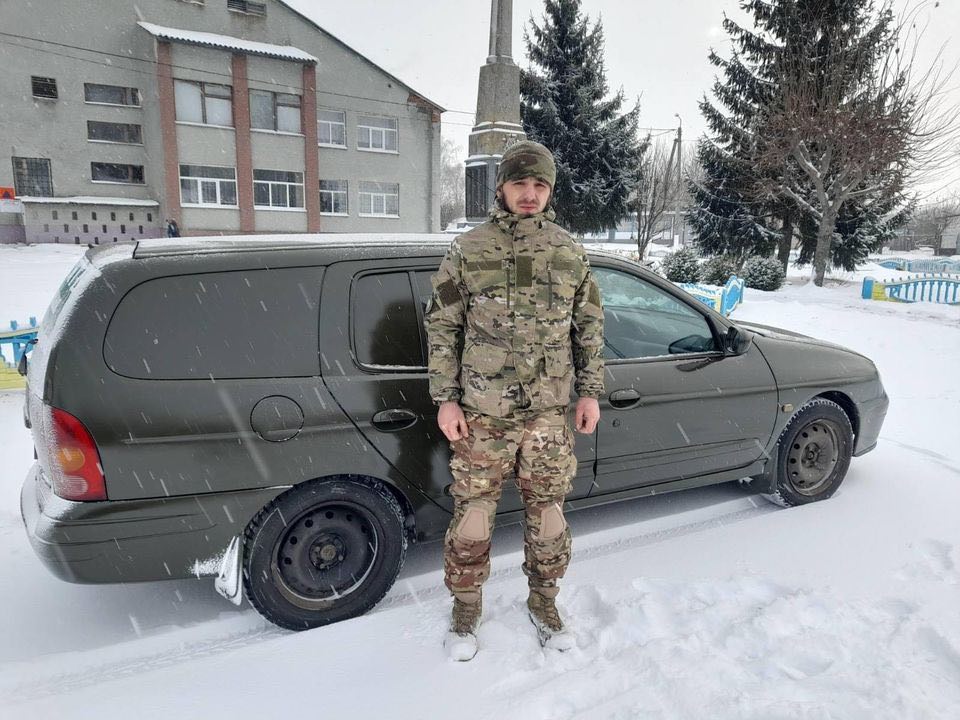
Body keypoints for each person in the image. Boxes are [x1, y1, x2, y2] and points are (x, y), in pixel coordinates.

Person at [425, 140, 604, 660]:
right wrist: (447, 399)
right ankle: (464, 609)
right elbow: (443, 327)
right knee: (474, 515)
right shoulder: (469, 249)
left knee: (548, 513)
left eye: (540, 185)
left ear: (550, 190)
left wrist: (589, 392)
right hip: (483, 412)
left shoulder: (568, 250)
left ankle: (545, 601)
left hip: (548, 413)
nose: (530, 194)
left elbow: (588, 327)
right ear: (501, 187)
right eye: (520, 183)